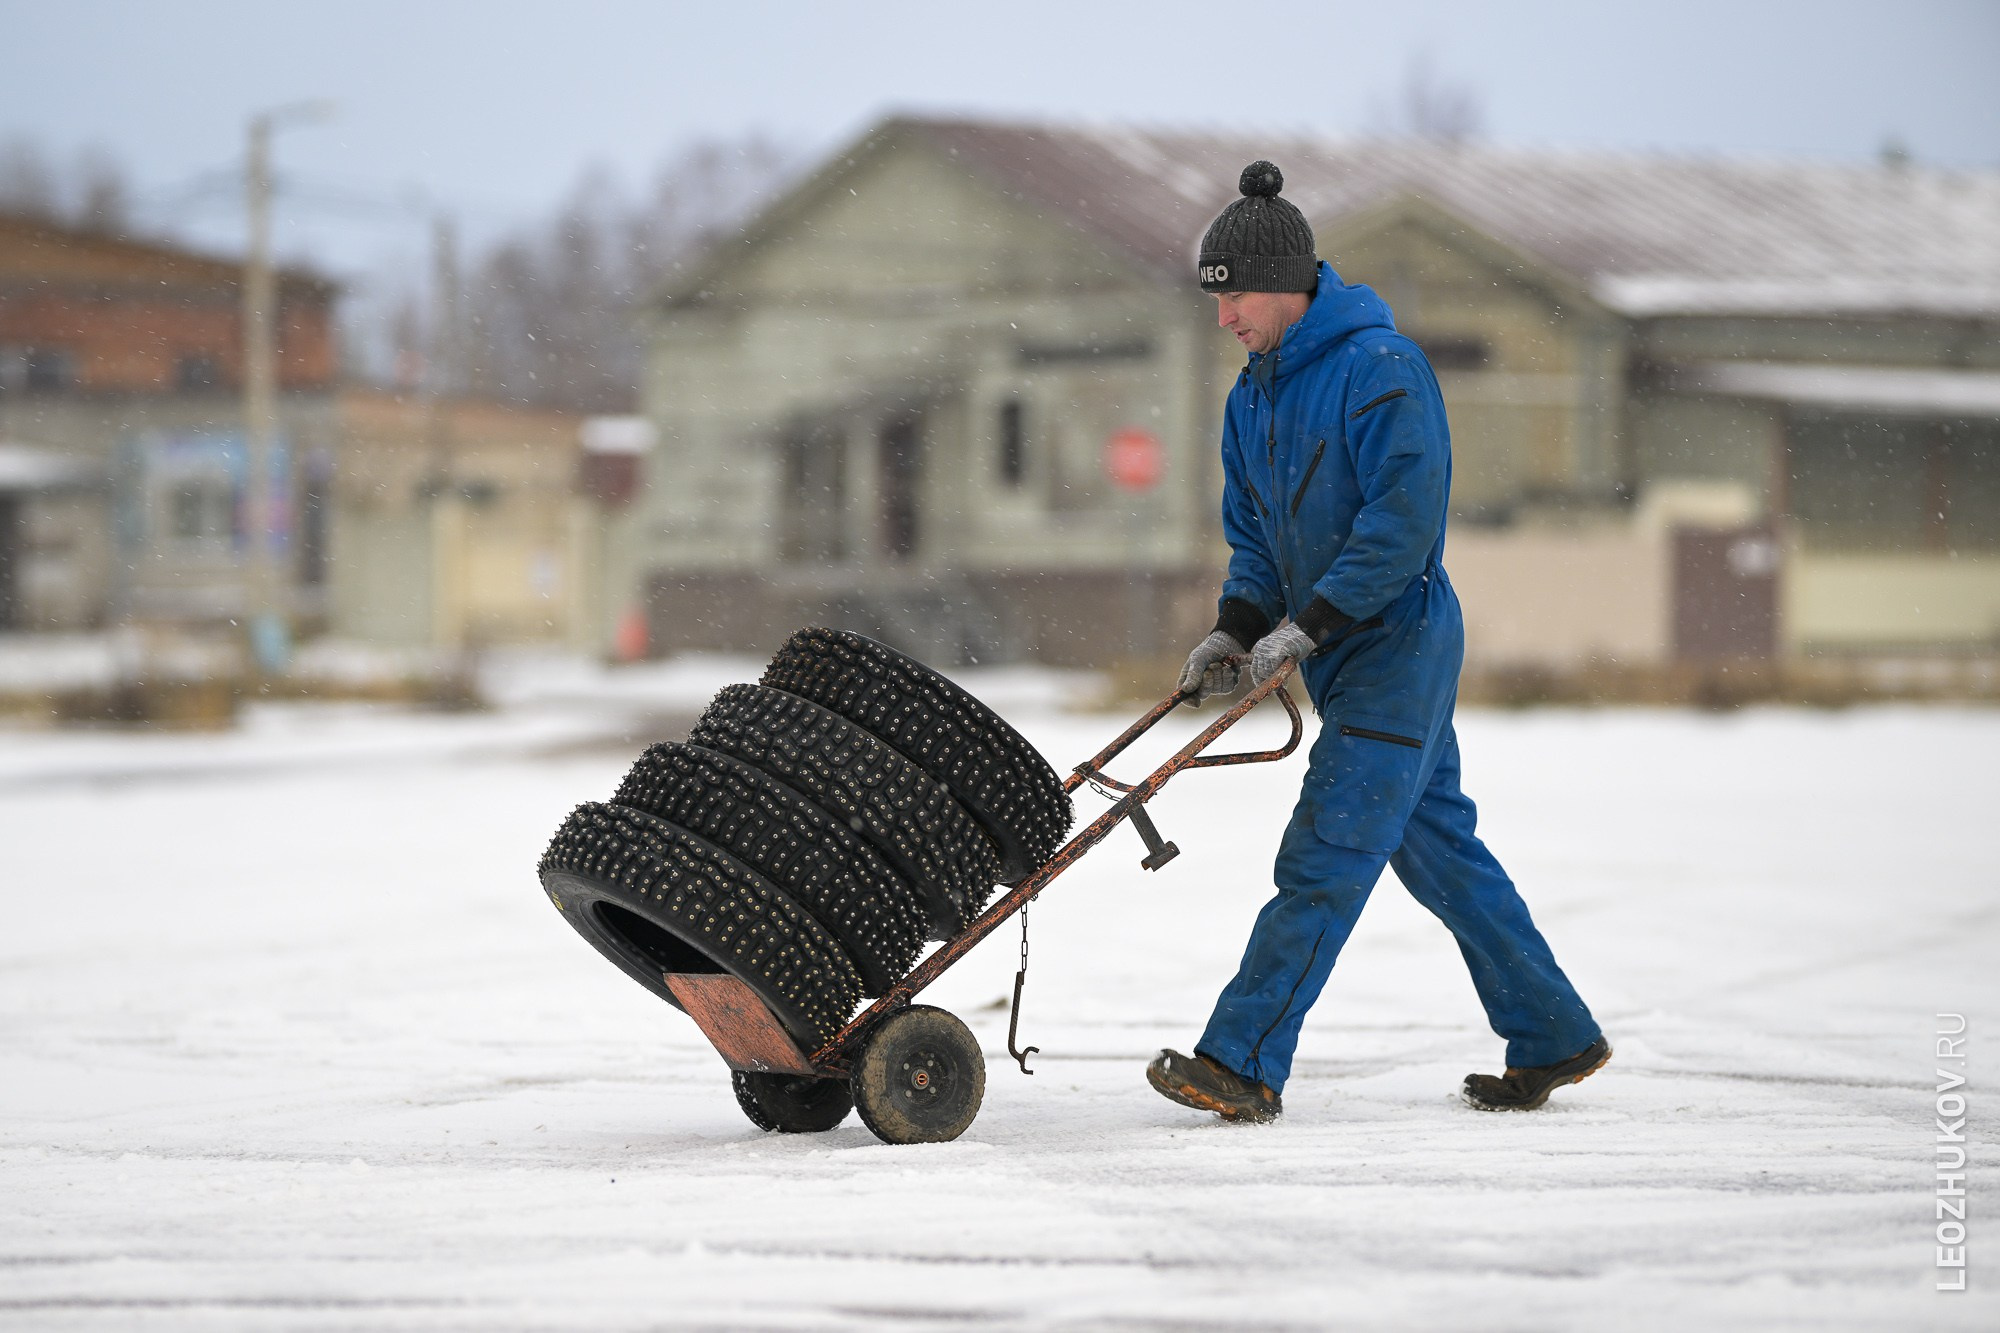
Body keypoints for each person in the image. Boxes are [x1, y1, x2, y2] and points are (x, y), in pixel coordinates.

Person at [1147, 161, 1609, 1123]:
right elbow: (1255, 538)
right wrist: (1235, 627)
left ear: (1285, 282)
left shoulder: (1381, 370)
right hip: (1332, 647)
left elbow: (1402, 524)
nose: (1223, 317)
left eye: (1232, 297)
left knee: (1328, 850)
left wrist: (1306, 627)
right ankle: (1554, 1030)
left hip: (1397, 639)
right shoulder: (1252, 400)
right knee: (1437, 848)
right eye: (1216, 300)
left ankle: (1241, 1059)